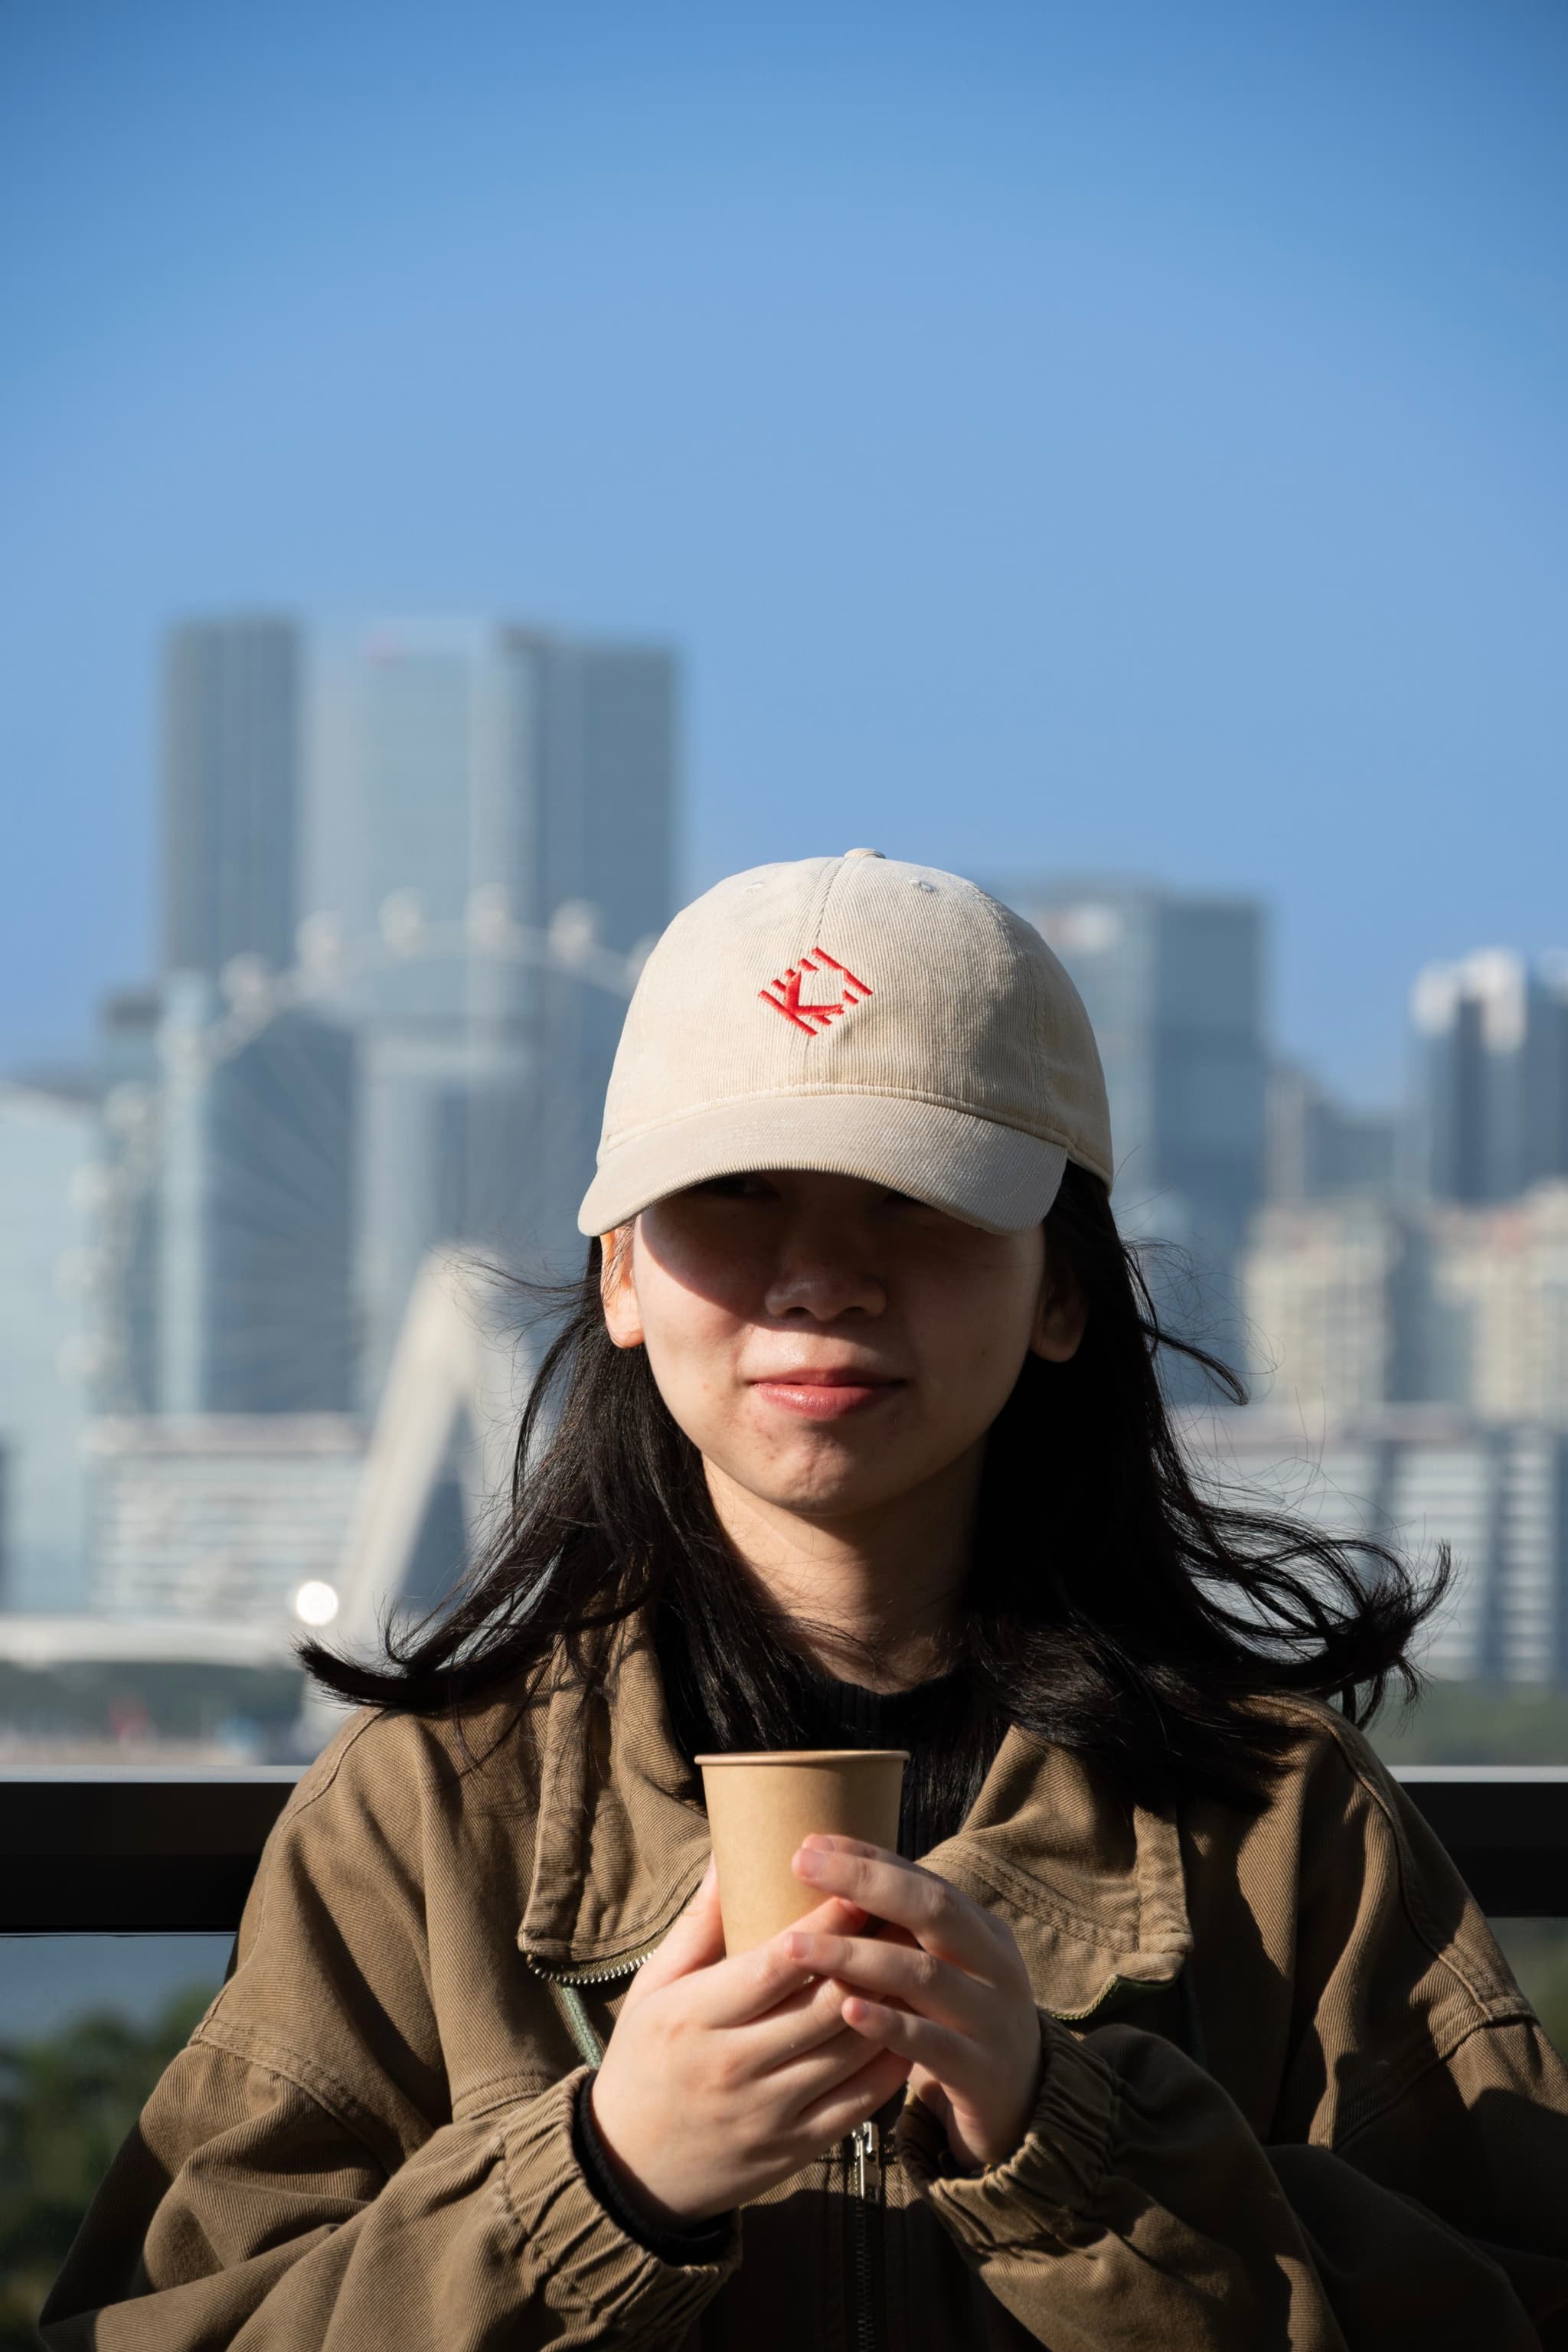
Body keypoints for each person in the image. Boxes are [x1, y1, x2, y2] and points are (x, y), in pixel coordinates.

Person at [43, 849, 1568, 2350]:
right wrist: (599, 2184)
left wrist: (1075, 2146)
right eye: (737, 1197)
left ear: (1063, 1290)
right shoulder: (427, 1823)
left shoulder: (1286, 1823)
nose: (820, 1278)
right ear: (620, 1276)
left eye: (918, 1201)